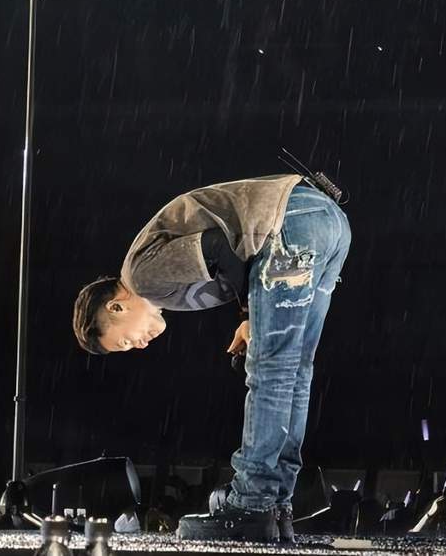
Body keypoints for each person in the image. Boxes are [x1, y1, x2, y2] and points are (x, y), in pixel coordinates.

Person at [72, 173, 351, 542]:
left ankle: (252, 504)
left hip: (290, 220)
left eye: (124, 341)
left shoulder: (141, 276)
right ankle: (276, 504)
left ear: (116, 307)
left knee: (271, 369)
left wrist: (248, 315)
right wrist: (252, 316)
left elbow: (219, 247)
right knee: (294, 370)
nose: (138, 345)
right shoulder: (163, 287)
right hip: (327, 223)